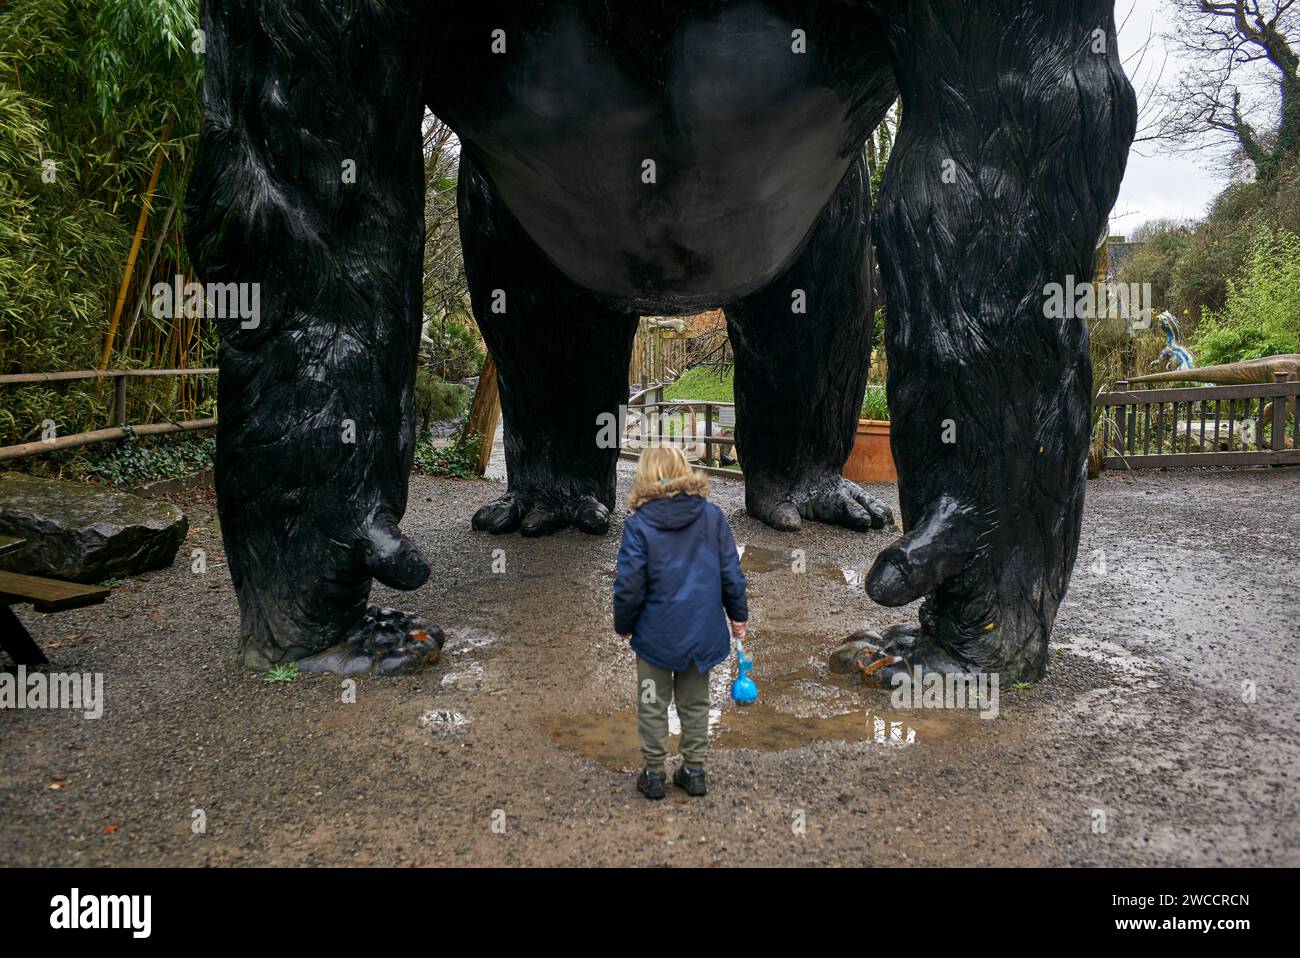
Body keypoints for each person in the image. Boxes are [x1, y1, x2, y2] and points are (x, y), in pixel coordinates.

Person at [613, 445, 748, 799]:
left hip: (654, 635)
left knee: (652, 703)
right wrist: (738, 615)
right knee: (695, 703)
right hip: (701, 632)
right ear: (684, 470)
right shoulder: (712, 517)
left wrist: (624, 624)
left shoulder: (638, 525)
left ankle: (654, 774)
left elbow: (629, 584)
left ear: (646, 475)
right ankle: (694, 771)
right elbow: (731, 573)